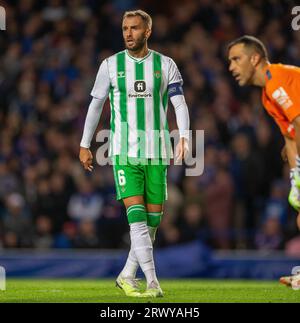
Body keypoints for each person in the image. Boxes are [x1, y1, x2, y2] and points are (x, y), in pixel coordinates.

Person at [79, 10, 190, 297]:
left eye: (135, 28)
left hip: (157, 153)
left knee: (152, 223)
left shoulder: (165, 65)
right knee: (137, 218)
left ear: (148, 31)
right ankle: (152, 281)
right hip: (123, 153)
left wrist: (184, 137)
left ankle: (127, 274)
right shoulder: (110, 65)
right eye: (125, 28)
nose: (128, 33)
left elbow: (179, 104)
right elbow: (95, 105)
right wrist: (84, 143)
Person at [228, 35, 300, 288]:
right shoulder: (267, 96)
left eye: (237, 59)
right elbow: (290, 139)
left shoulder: (276, 80)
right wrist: (295, 178)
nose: (231, 67)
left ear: (255, 58)